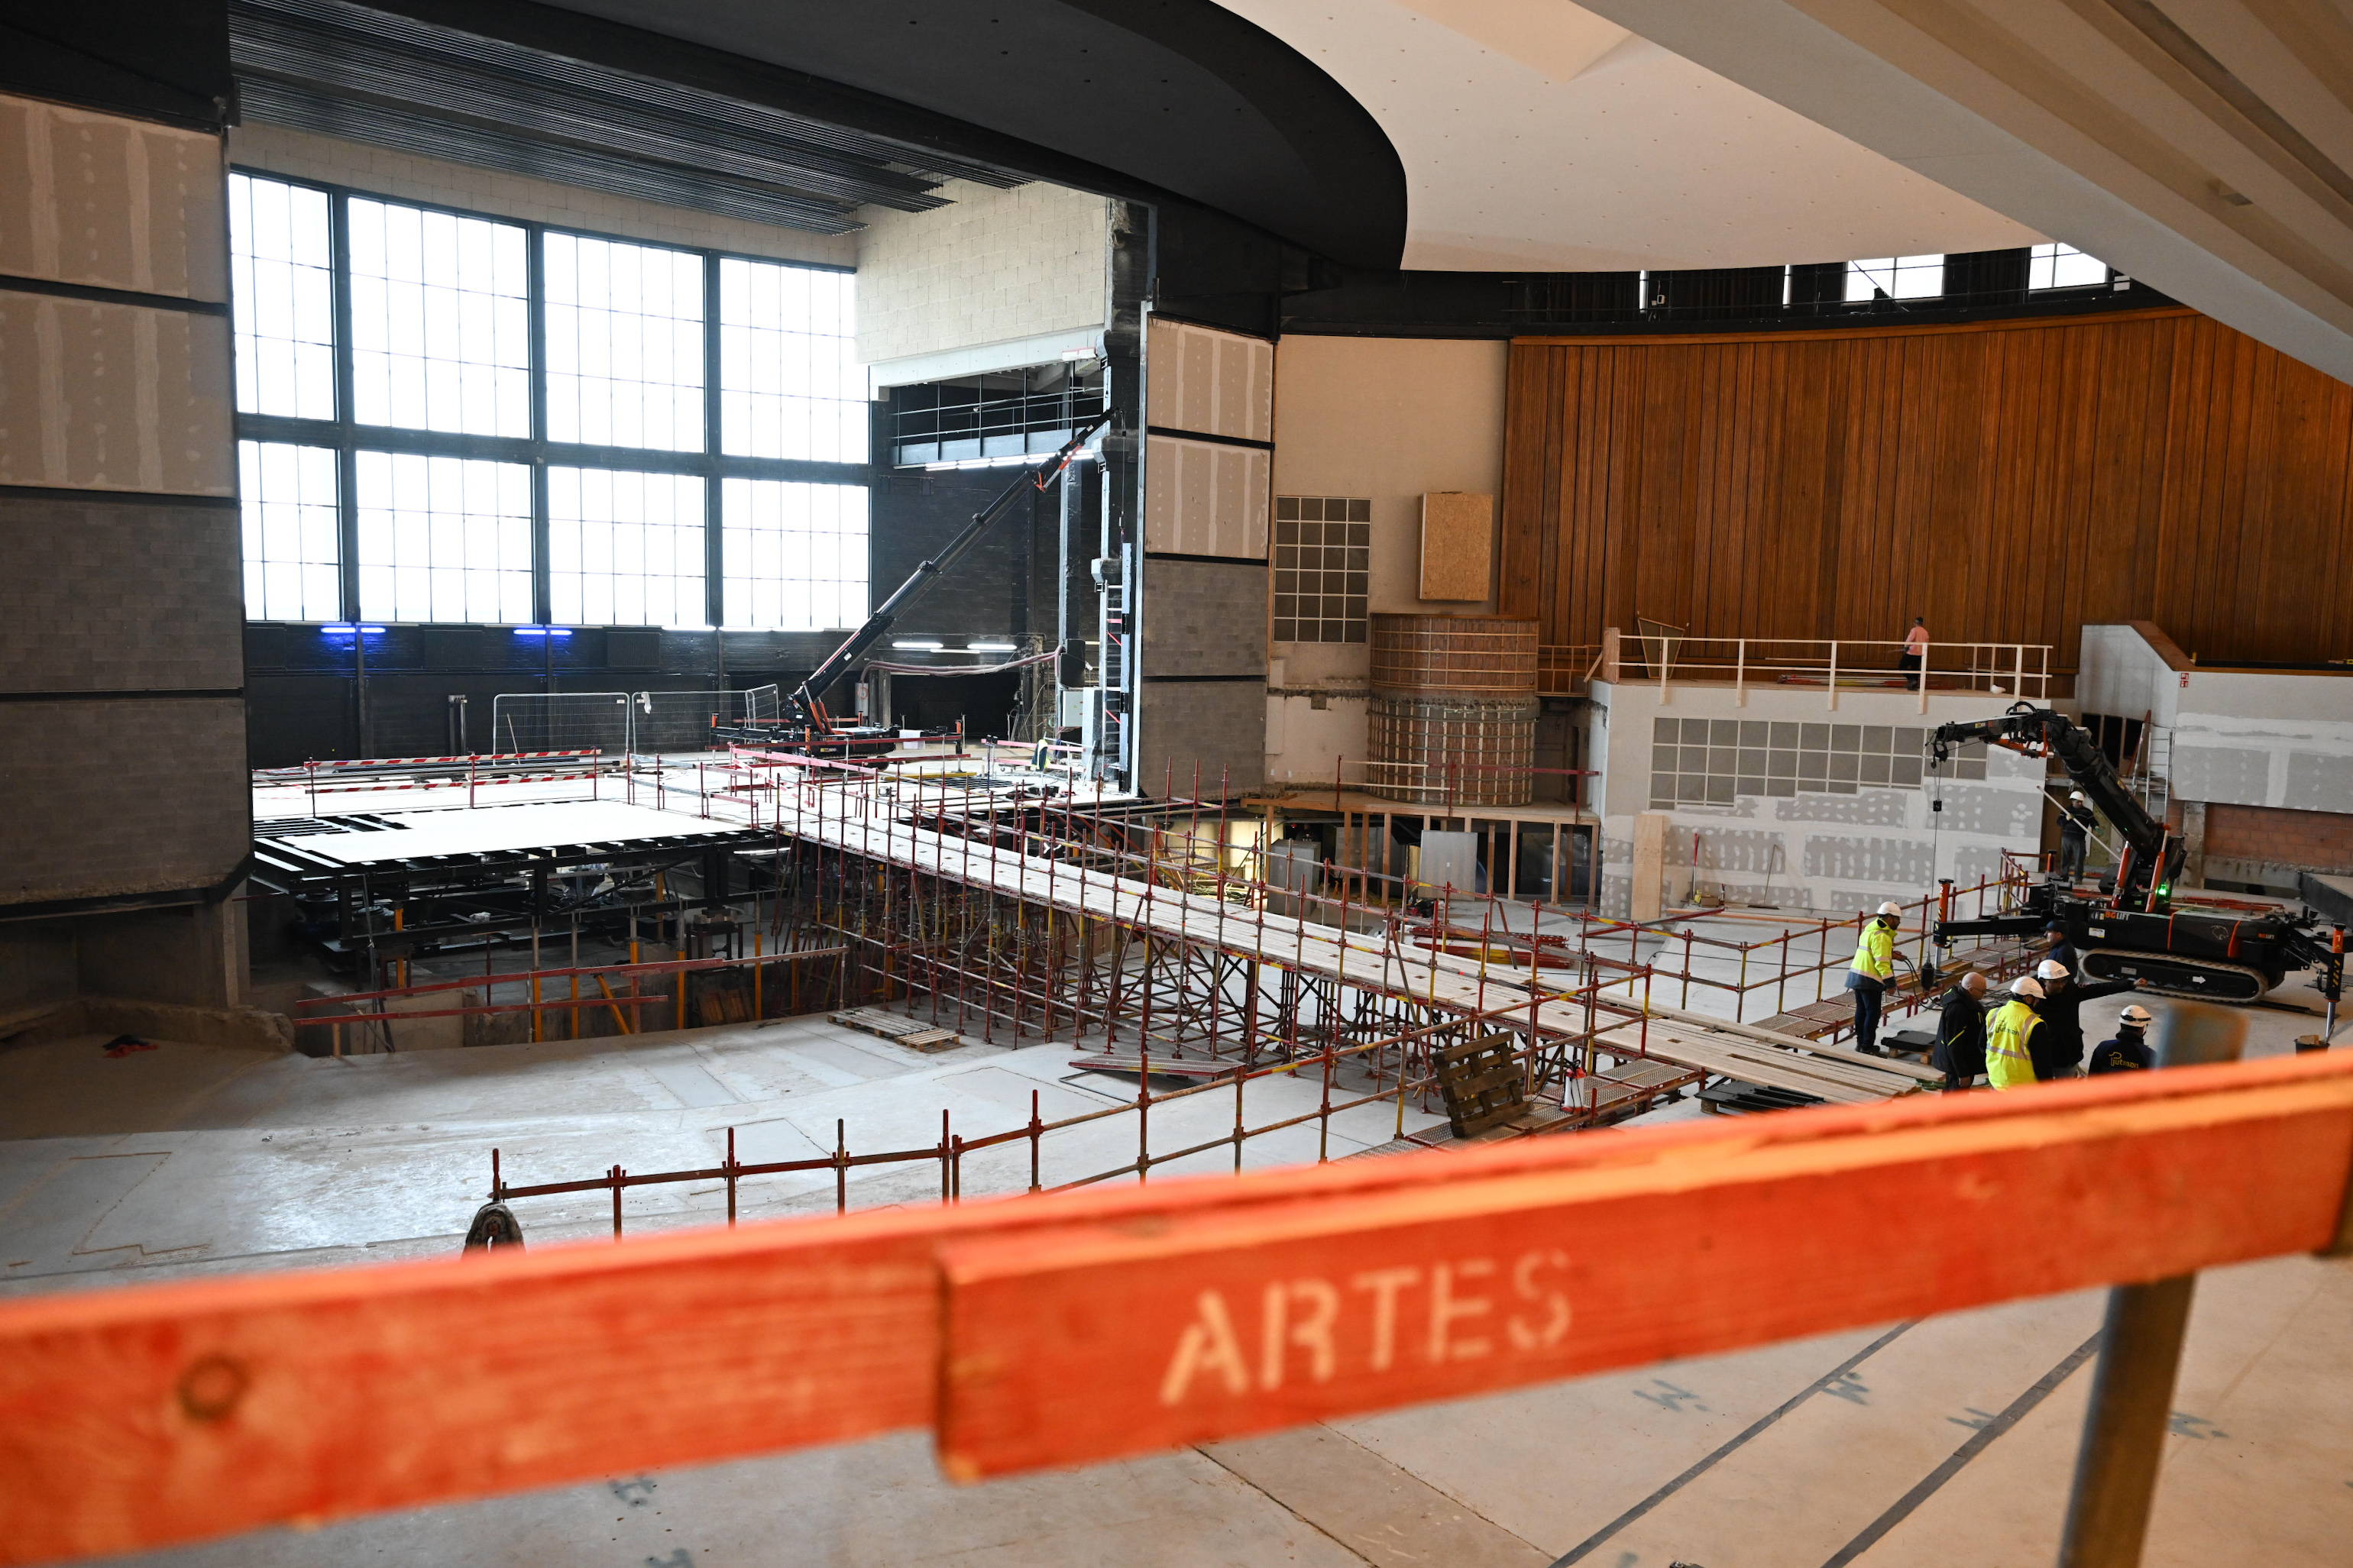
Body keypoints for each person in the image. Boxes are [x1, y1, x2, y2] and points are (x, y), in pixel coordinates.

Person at [2028, 959, 2136, 1080]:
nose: (2061, 985)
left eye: (2063, 981)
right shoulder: (2031, 998)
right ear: (2043, 981)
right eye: (2056, 982)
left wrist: (2130, 984)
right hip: (2042, 1055)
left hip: (2067, 1054)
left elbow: (2099, 989)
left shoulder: (2070, 991)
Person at [1845, 900, 1903, 1056]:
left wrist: (1891, 954)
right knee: (1873, 1013)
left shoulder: (1870, 930)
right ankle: (1867, 1047)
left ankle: (1861, 1044)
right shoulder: (1882, 936)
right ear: (1889, 918)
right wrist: (1890, 983)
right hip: (1870, 979)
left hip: (1857, 976)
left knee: (1862, 1011)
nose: (1899, 922)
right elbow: (1882, 963)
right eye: (1897, 919)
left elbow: (1873, 952)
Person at [1985, 975, 2046, 1090]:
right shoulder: (2035, 1024)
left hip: (1997, 1082)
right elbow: (2042, 1062)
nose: (2038, 1002)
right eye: (2037, 999)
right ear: (2028, 999)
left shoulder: (1994, 1014)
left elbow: (1981, 1044)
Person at [1931, 970, 1989, 1091]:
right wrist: (1962, 1073)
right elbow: (1953, 1044)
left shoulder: (1969, 1003)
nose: (1984, 994)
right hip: (1958, 1065)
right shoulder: (1958, 1009)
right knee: (1956, 1095)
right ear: (1971, 990)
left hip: (1966, 1061)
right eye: (1982, 991)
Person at [2087, 1004, 2156, 1074]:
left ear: (2121, 1024)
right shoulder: (2150, 1056)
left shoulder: (2103, 1048)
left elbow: (2092, 1076)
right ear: (2143, 1028)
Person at [2057, 790, 2096, 881]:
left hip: (2079, 840)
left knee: (2079, 860)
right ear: (2072, 801)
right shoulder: (2066, 810)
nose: (2080, 804)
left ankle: (2078, 879)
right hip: (2066, 839)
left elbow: (2093, 822)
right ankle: (2064, 877)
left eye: (2081, 802)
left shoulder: (2087, 812)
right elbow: (2059, 822)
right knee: (2065, 858)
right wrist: (2066, 818)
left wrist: (2096, 827)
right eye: (2078, 802)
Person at [1900, 617, 1929, 690]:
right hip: (1920, 654)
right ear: (1922, 623)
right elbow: (1926, 643)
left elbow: (1909, 639)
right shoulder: (1925, 632)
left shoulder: (1914, 630)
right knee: (1915, 669)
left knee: (1901, 666)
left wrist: (1906, 647)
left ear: (1915, 623)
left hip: (1911, 652)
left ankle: (1911, 679)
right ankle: (1914, 686)